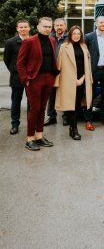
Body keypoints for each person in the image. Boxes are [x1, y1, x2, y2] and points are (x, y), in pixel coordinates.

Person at [17, 17, 59, 151]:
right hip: (34, 79)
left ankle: (39, 136)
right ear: (38, 27)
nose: (47, 29)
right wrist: (26, 79)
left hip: (48, 78)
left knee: (42, 108)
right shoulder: (29, 41)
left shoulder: (52, 40)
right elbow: (20, 63)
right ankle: (30, 138)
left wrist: (53, 75)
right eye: (45, 26)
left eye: (49, 27)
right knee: (34, 109)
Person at [55, 26, 93, 140]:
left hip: (82, 81)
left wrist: (83, 78)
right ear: (70, 35)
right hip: (68, 82)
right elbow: (60, 66)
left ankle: (72, 128)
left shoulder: (84, 46)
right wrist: (72, 80)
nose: (76, 35)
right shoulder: (64, 47)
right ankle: (74, 129)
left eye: (78, 33)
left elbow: (88, 65)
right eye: (74, 33)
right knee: (70, 106)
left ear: (81, 35)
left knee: (77, 105)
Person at [84, 16, 104, 130]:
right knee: (90, 95)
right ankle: (88, 120)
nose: (103, 24)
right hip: (94, 70)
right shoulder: (88, 37)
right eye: (101, 22)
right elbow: (84, 53)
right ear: (96, 23)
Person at [4, 20, 30, 135]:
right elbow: (7, 59)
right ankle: (15, 124)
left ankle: (31, 124)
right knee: (15, 102)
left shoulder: (33, 40)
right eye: (21, 27)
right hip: (16, 78)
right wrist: (15, 71)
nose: (23, 29)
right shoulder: (10, 42)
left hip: (31, 77)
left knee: (32, 102)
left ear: (29, 28)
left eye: (25, 27)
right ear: (17, 29)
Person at [44, 17, 67, 126]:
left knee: (64, 94)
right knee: (51, 94)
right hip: (51, 71)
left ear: (65, 27)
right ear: (54, 27)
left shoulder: (69, 39)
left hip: (65, 71)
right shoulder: (48, 38)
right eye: (57, 25)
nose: (59, 27)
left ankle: (65, 116)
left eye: (61, 25)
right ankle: (52, 116)